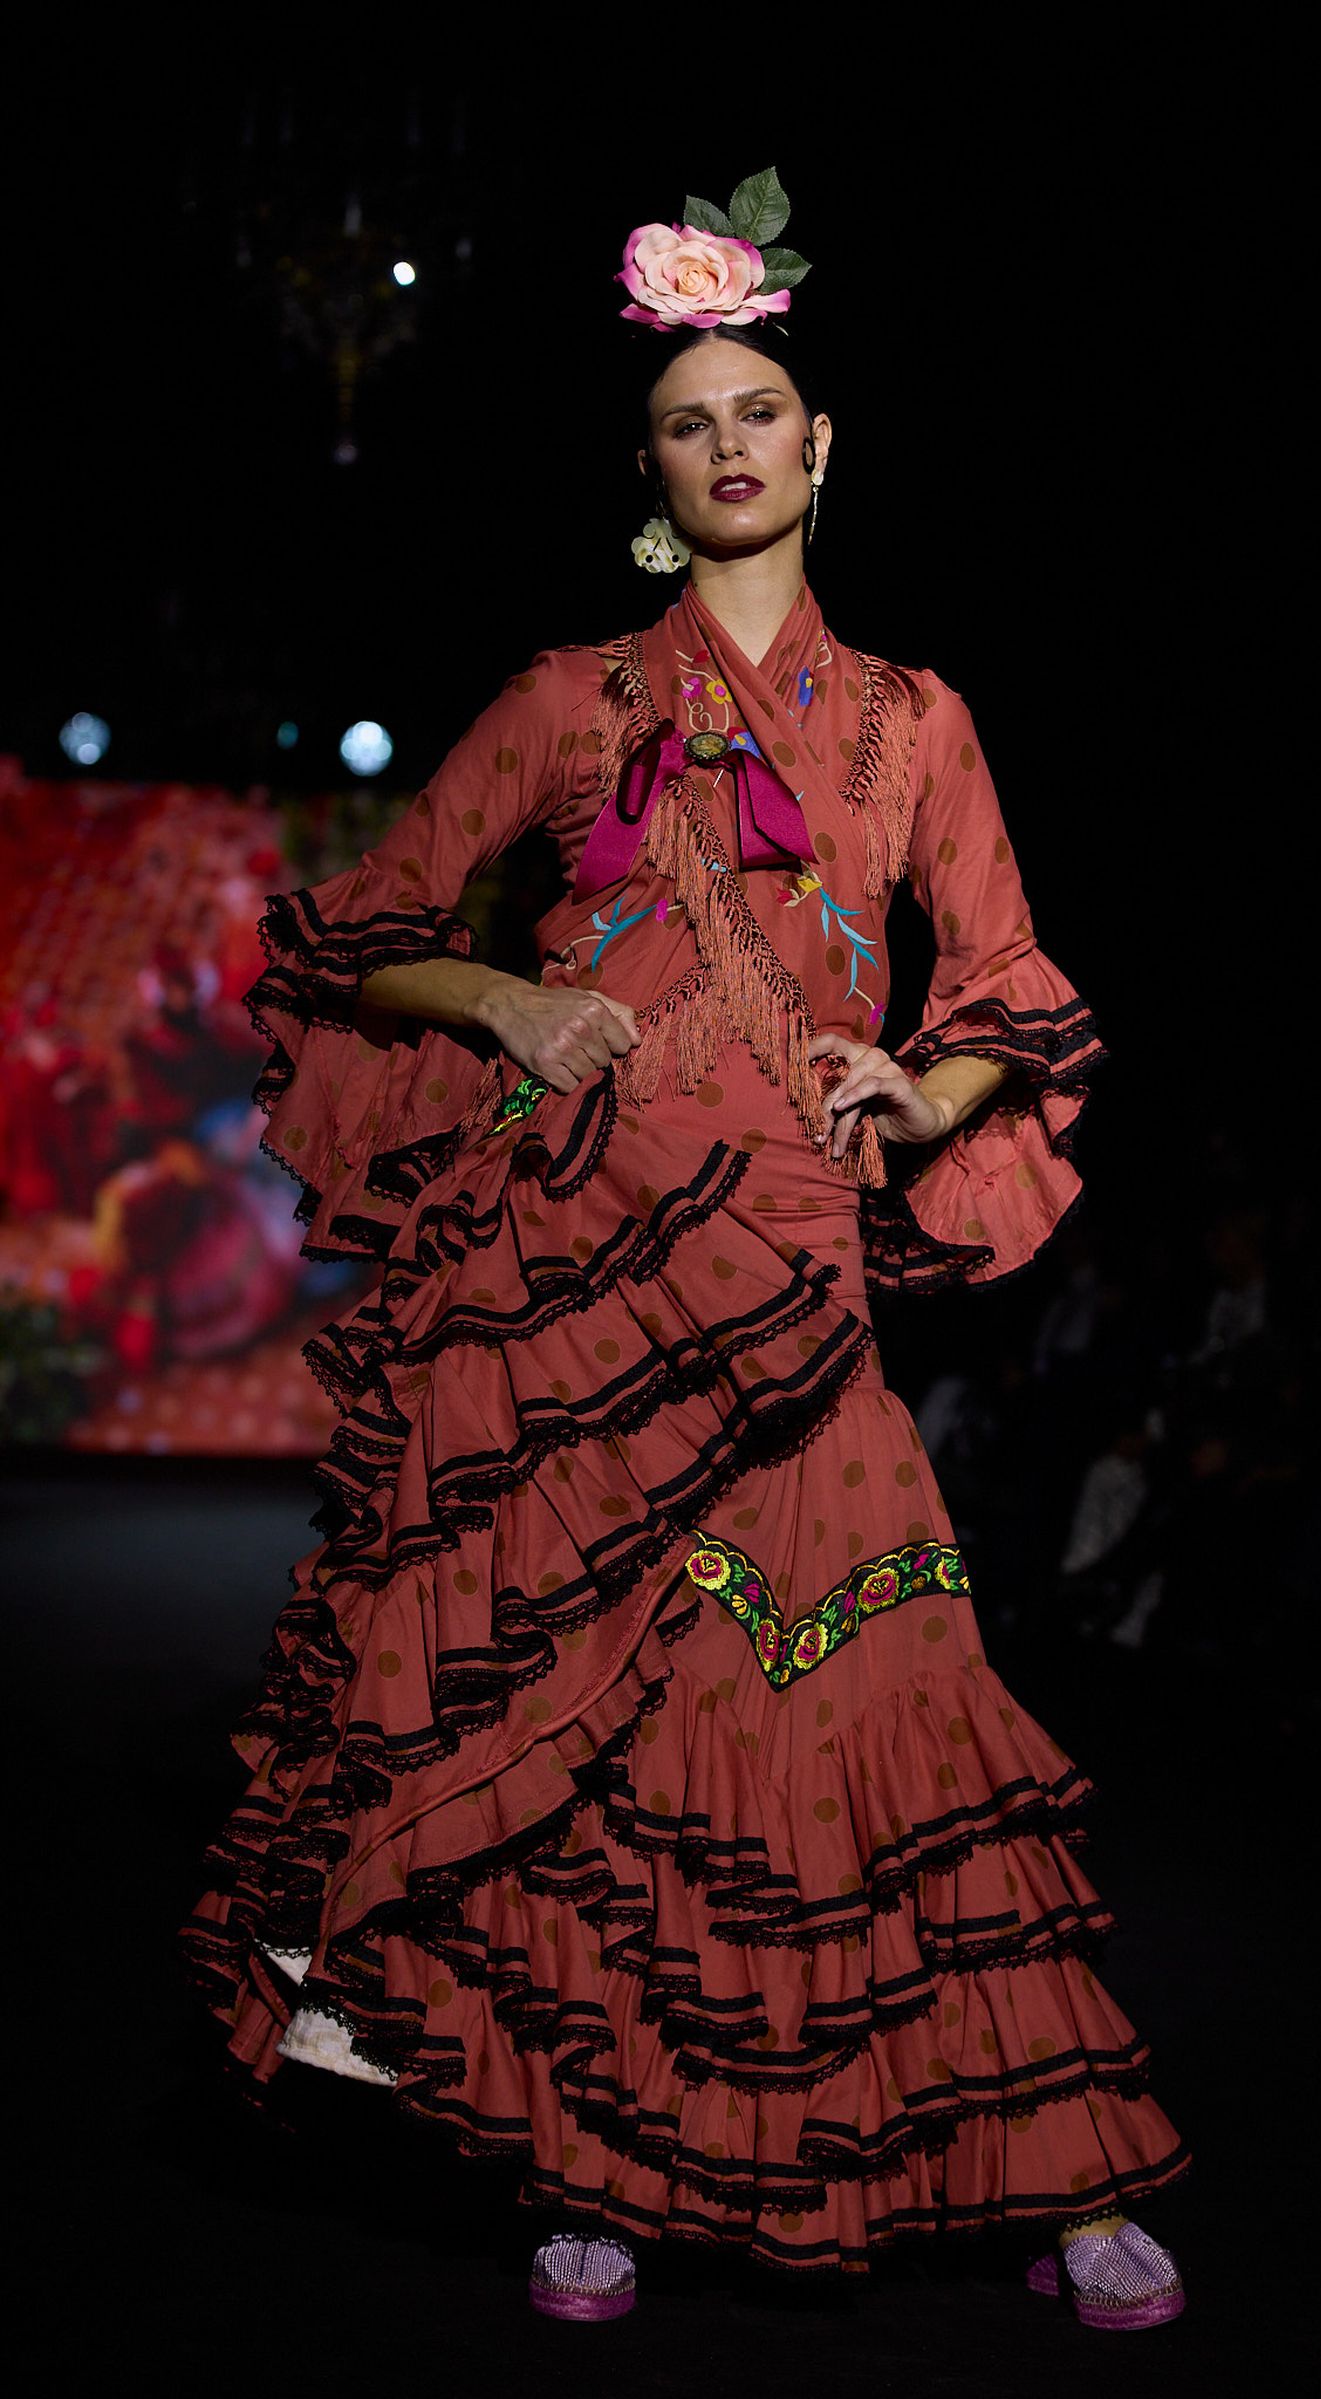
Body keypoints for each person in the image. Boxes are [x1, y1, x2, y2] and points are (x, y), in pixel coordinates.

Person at [178, 184, 1192, 2332]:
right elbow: (355, 944)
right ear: (645, 474)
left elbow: (1004, 974)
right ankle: (596, 2173)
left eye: (757, 408)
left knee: (889, 1705)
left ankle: (1051, 2173)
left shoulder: (916, 721)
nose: (723, 442)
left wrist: (923, 1093)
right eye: (680, 419)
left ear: (818, 445)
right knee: (596, 1731)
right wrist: (511, 1008)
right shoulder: (563, 703)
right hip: (579, 1287)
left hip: (798, 1279)